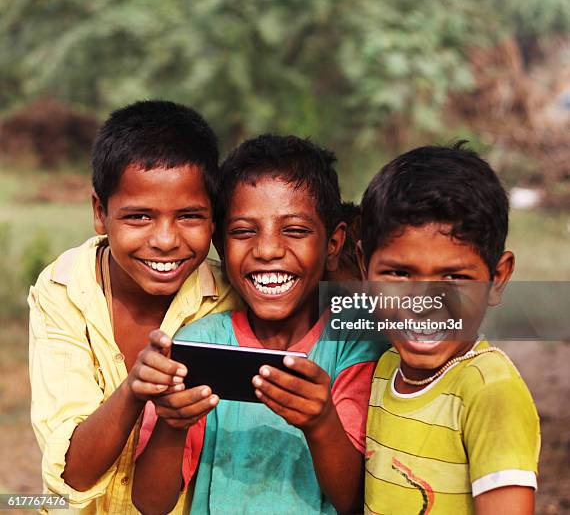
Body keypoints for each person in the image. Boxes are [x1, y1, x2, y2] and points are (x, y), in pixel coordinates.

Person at [131, 135, 389, 514]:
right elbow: (151, 503)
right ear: (219, 243)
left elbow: (353, 500)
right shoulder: (201, 345)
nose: (268, 250)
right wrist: (173, 422)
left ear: (333, 243)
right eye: (244, 232)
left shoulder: (354, 343)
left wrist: (321, 423)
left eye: (295, 230)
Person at [28, 101, 240, 514]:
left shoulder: (232, 294)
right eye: (139, 216)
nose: (164, 240)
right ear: (99, 213)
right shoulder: (63, 290)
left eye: (189, 216)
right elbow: (73, 475)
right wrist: (133, 391)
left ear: (214, 218)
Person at [358, 143, 540, 514]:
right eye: (398, 273)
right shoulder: (385, 366)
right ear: (364, 269)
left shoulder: (490, 391)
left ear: (497, 279)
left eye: (455, 277)